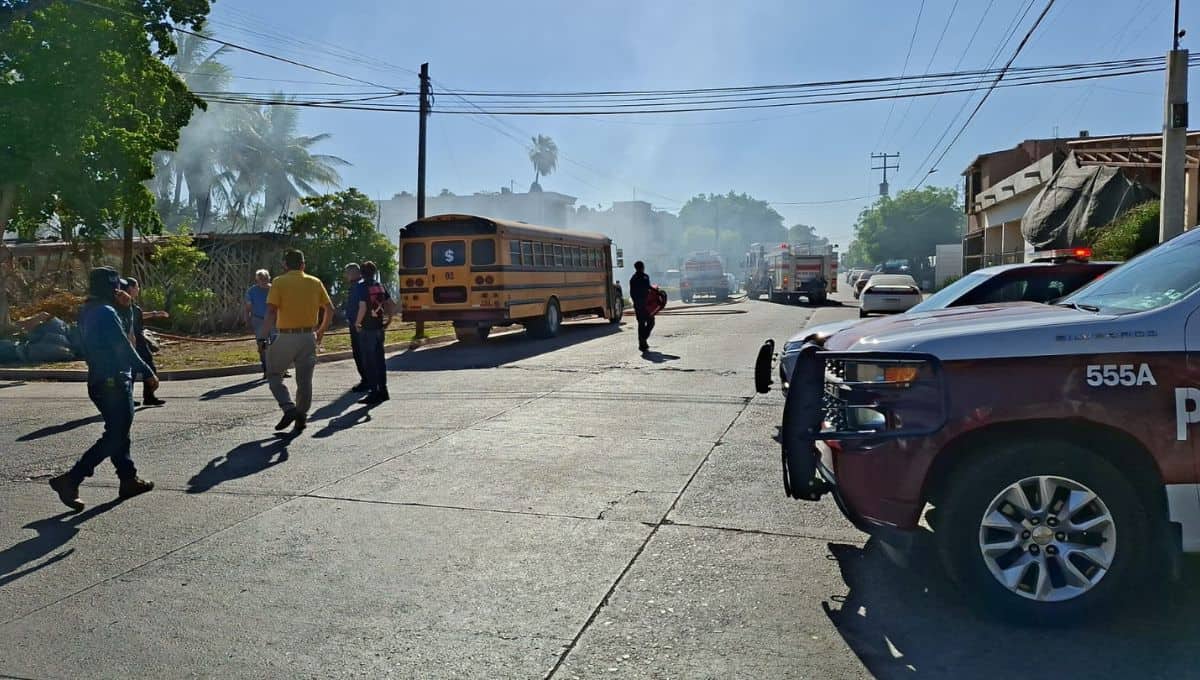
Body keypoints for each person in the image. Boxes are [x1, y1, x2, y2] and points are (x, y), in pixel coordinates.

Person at [49, 267, 157, 511]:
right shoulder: (107, 312)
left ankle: (128, 479)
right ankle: (72, 479)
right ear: (110, 287)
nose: (119, 290)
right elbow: (125, 345)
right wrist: (148, 373)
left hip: (98, 380)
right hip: (114, 381)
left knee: (118, 430)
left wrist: (126, 309)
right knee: (116, 434)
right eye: (115, 286)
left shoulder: (88, 310)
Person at [260, 249, 335, 433]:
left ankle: (289, 408)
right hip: (308, 336)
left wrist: (262, 335)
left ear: (285, 265)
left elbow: (271, 311)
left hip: (286, 336)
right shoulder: (314, 282)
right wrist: (321, 331)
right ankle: (301, 416)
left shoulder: (279, 282)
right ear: (303, 265)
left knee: (274, 375)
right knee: (304, 380)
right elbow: (329, 309)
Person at [123, 277, 168, 406]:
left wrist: (155, 314)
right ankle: (128, 398)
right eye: (137, 287)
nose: (138, 289)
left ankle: (149, 396)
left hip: (140, 342)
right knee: (133, 370)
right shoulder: (125, 304)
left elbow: (139, 315)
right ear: (130, 288)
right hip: (134, 342)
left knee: (147, 368)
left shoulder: (130, 304)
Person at [354, 260, 394, 405]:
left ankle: (373, 393)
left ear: (362, 273)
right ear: (374, 272)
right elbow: (390, 304)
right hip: (379, 328)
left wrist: (357, 323)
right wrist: (389, 320)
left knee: (369, 362)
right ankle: (383, 390)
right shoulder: (380, 286)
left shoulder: (361, 286)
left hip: (367, 329)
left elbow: (363, 307)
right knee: (380, 361)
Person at [342, 263, 369, 392]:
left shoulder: (357, 286)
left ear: (353, 273)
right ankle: (369, 379)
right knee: (365, 353)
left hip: (358, 325)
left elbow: (360, 306)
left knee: (359, 353)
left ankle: (366, 380)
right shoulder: (364, 284)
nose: (345, 275)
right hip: (366, 324)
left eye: (347, 273)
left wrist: (357, 323)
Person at [244, 269, 273, 378]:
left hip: (274, 319)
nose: (263, 281)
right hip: (259, 319)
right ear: (257, 280)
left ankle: (281, 369)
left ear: (269, 278)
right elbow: (248, 307)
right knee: (262, 344)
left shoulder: (274, 289)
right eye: (261, 279)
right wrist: (247, 319)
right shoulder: (252, 291)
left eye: (265, 279)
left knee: (277, 344)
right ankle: (266, 369)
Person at [629, 261, 654, 352]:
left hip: (638, 305)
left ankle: (642, 343)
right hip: (646, 305)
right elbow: (649, 289)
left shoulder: (633, 278)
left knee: (641, 323)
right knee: (651, 321)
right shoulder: (645, 277)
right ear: (643, 267)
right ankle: (643, 339)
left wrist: (636, 303)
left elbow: (632, 293)